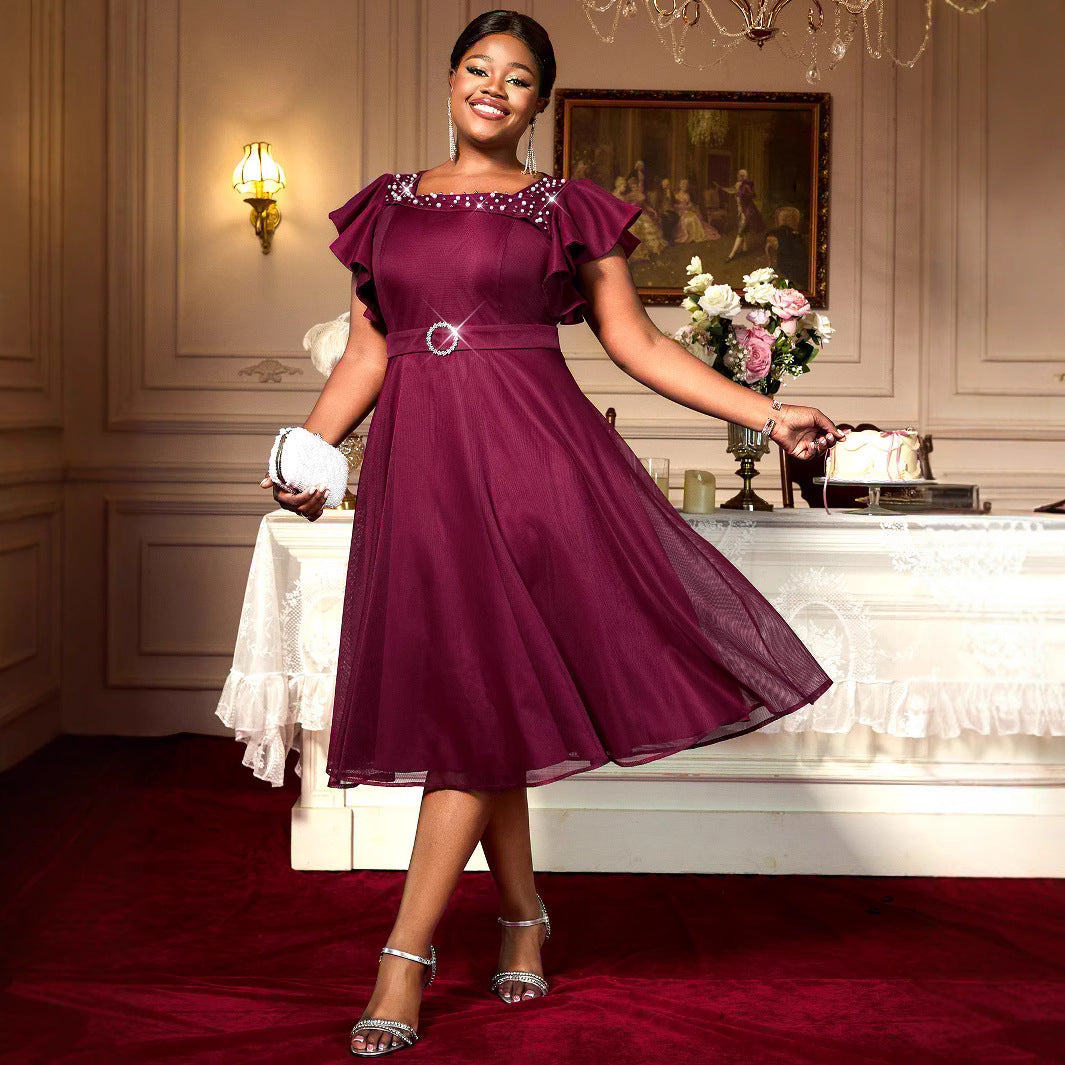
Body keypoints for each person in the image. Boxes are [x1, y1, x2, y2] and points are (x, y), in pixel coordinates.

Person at [260, 10, 844, 1058]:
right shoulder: (385, 210)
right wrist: (303, 456)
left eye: (519, 77)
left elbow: (637, 342)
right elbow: (365, 357)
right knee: (481, 695)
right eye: (478, 68)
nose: (494, 86)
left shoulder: (563, 209)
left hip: (533, 466)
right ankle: (523, 916)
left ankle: (405, 958)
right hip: (419, 473)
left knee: (477, 697)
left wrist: (765, 412)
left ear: (541, 102)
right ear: (450, 79)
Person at [721, 168, 767, 262]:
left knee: (740, 232)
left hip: (747, 211)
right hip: (741, 211)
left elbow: (753, 195)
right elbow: (734, 191)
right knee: (744, 229)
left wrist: (741, 194)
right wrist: (728, 190)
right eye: (739, 174)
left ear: (745, 177)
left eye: (742, 175)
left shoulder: (746, 185)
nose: (739, 176)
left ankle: (731, 254)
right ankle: (745, 248)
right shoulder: (738, 185)